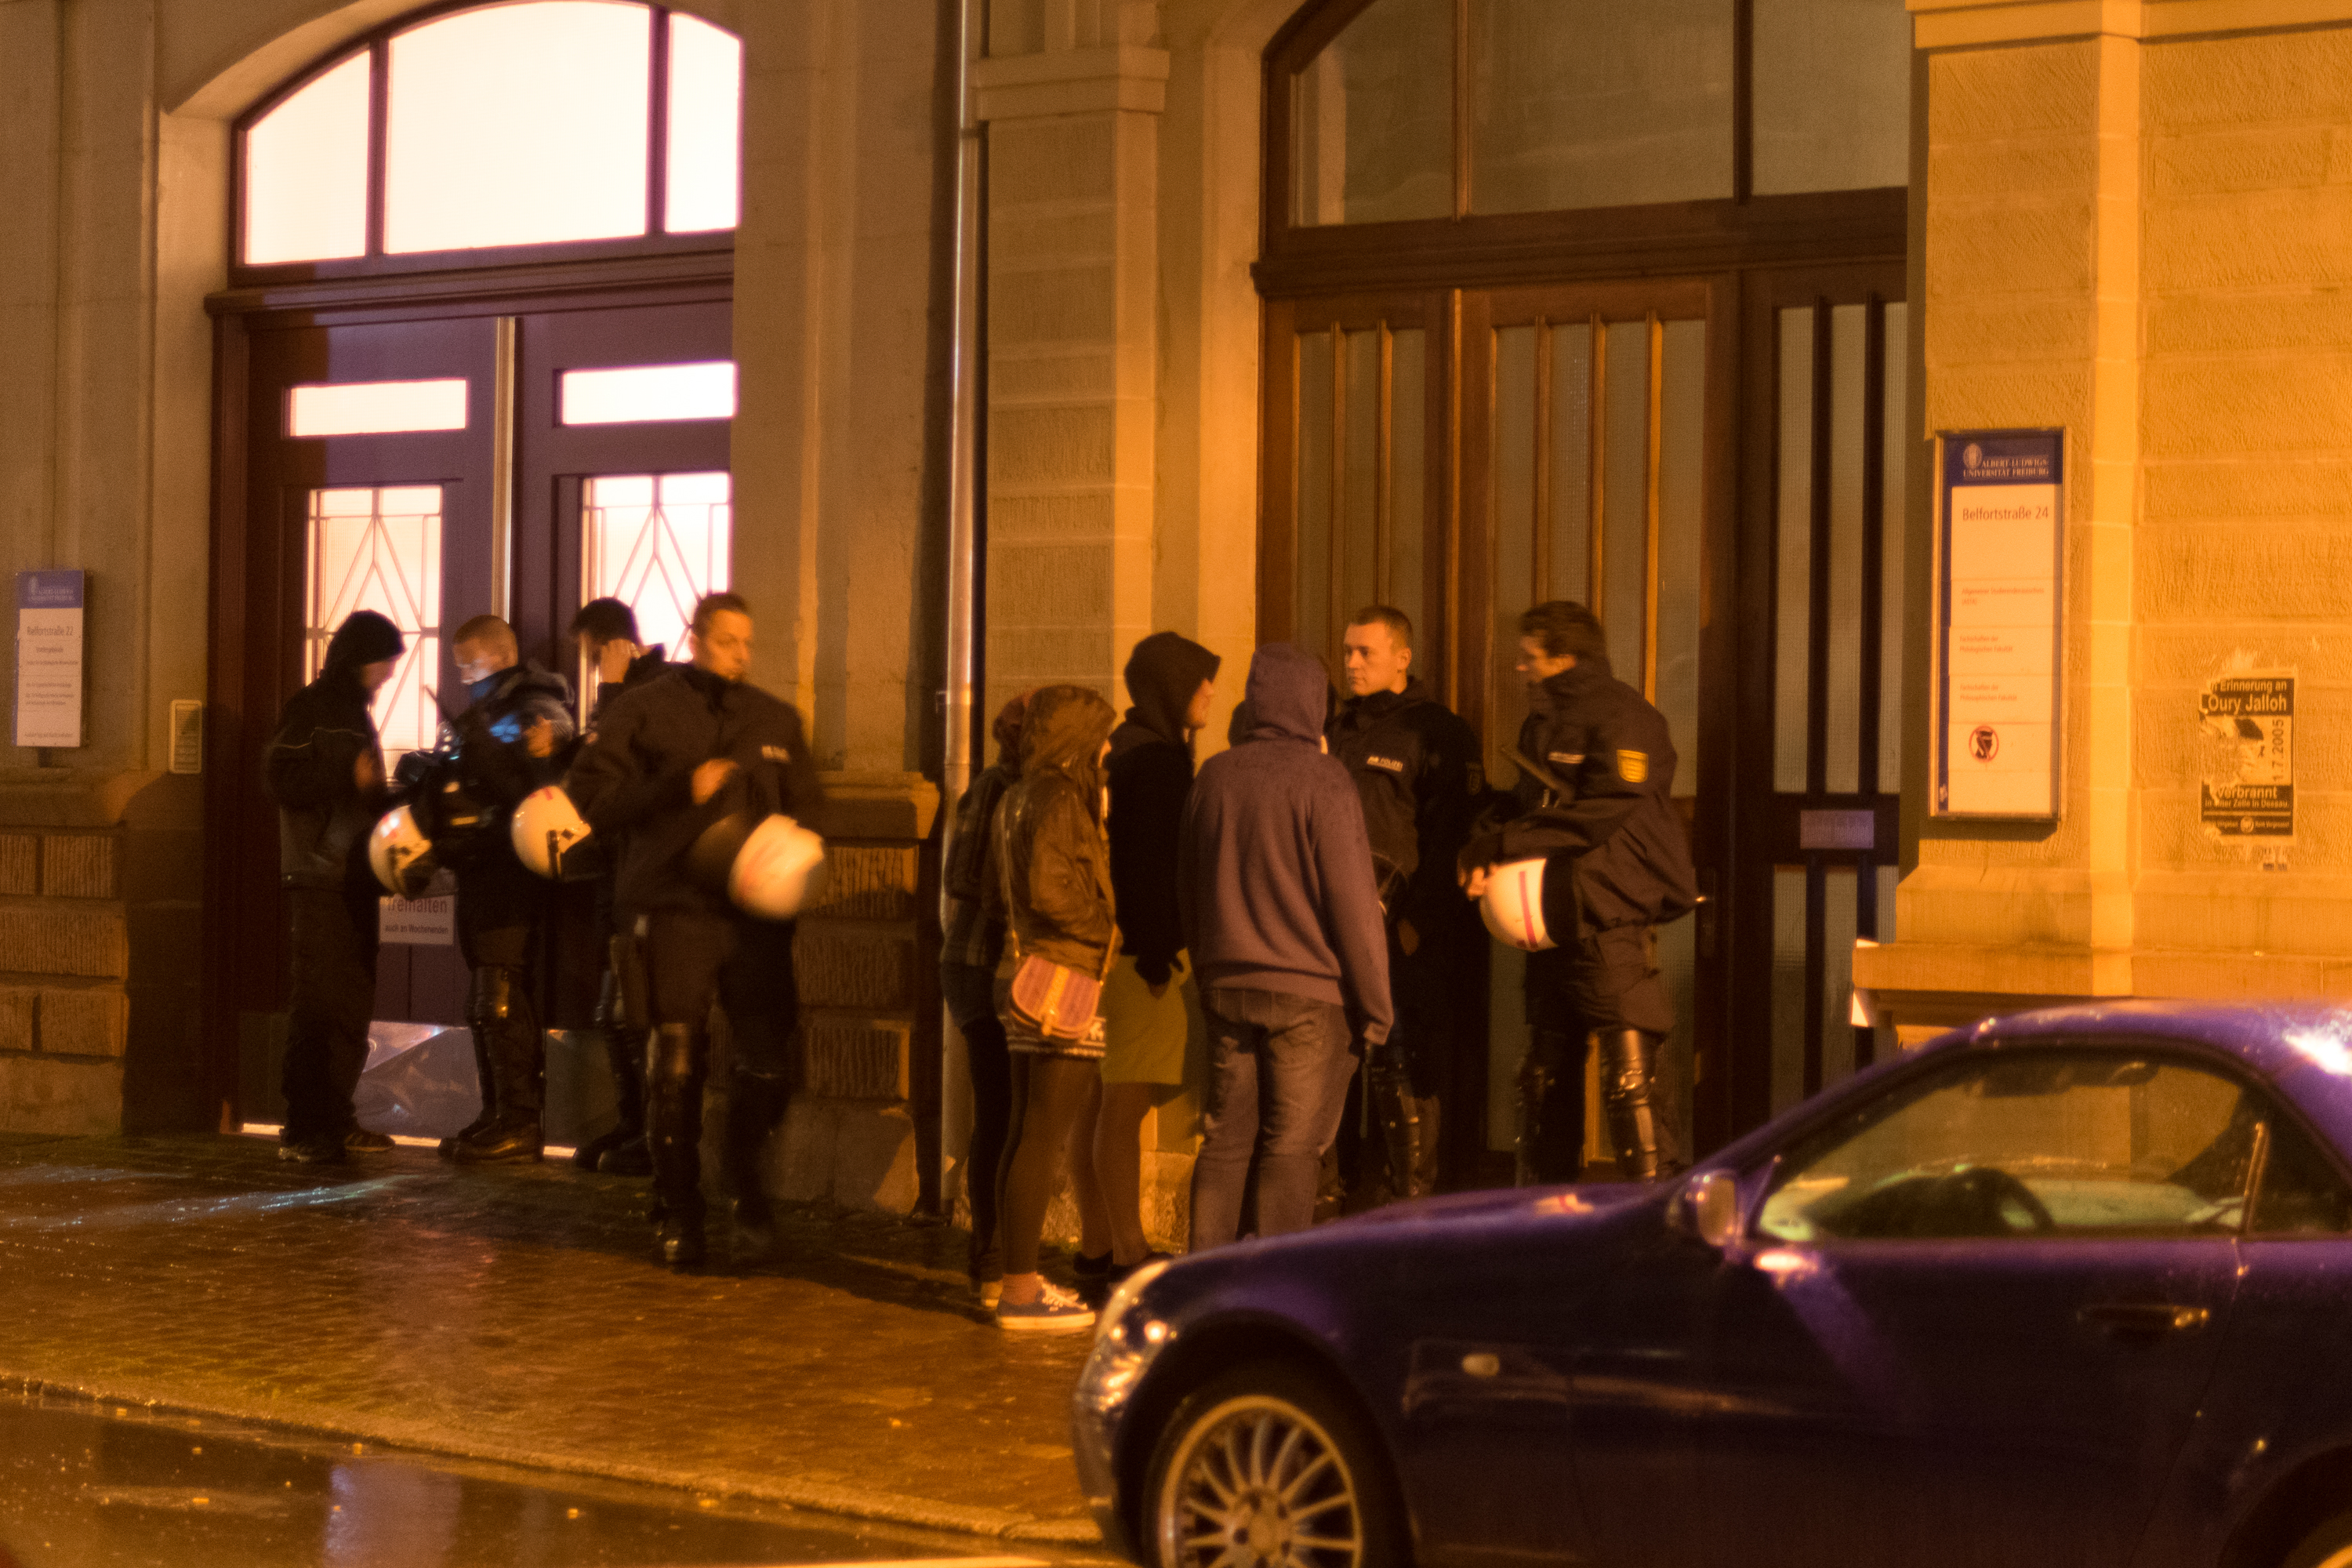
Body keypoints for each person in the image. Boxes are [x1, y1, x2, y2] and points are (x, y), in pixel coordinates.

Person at [566, 592, 822, 1268]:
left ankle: (746, 1183)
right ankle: (678, 1210)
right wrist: (680, 788)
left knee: (767, 1062)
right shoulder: (644, 708)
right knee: (675, 1063)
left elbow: (809, 808)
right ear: (697, 639)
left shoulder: (775, 718)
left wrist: (794, 853)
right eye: (728, 641)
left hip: (755, 917)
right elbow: (592, 799)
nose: (741, 654)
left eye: (748, 642)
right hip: (674, 907)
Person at [1457, 601, 1697, 1182]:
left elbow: (1607, 807)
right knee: (1542, 1078)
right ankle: (1545, 1214)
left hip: (1605, 914)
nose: (1520, 668)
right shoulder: (1542, 720)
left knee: (1631, 1081)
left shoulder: (1624, 717)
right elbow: (1531, 804)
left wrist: (1507, 841)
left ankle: (1654, 1212)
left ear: (1564, 657)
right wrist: (1486, 840)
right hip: (1548, 920)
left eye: (1529, 657)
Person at [1179, 644, 1392, 1247]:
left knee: (1224, 1142)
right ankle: (1274, 1285)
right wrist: (1376, 1009)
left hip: (1228, 984)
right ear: (1314, 705)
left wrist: (1208, 971)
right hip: (1309, 995)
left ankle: (1205, 1282)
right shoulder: (1325, 780)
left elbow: (1188, 887)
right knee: (1292, 1148)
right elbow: (1353, 904)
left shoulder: (1214, 776)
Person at [1326, 606, 1479, 1202]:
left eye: (1365, 651)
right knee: (1336, 1063)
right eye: (1347, 651)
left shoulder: (1434, 731)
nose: (1352, 662)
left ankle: (1409, 1210)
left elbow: (1450, 836)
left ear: (1402, 658)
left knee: (1400, 1063)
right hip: (1333, 926)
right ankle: (1333, 1202)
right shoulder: (1337, 728)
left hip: (1404, 931)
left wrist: (1419, 922)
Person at [412, 615, 575, 1165]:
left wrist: (481, 749)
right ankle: (498, 1112)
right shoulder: (487, 715)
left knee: (498, 995)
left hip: (510, 870)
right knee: (485, 998)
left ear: (498, 656)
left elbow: (532, 788)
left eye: (469, 665)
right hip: (478, 867)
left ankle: (519, 1120)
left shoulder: (533, 709)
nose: (463, 678)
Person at [983, 684, 1120, 1330]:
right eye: (1101, 736)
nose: (1107, 749)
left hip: (1023, 971)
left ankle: (1010, 1275)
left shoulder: (1016, 794)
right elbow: (1050, 888)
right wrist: (1105, 927)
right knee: (1043, 1134)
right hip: (1063, 973)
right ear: (1076, 738)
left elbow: (998, 893)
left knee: (1022, 1129)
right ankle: (1020, 1290)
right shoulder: (1060, 798)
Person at [1089, 632, 1219, 1297]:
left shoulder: (1127, 749)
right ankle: (1127, 1250)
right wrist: (1159, 952)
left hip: (1124, 951)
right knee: (1125, 1102)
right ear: (1173, 688)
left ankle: (1103, 1244)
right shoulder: (1159, 764)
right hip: (1145, 958)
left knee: (1107, 1101)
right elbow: (1148, 865)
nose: (1210, 692)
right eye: (1200, 681)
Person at [264, 610, 405, 1166]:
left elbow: (362, 795)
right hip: (319, 875)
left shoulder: (354, 714)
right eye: (384, 662)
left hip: (356, 876)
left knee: (351, 1004)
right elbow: (281, 779)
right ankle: (303, 1127)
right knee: (319, 1005)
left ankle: (336, 1117)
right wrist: (348, 778)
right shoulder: (312, 708)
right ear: (358, 659)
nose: (388, 674)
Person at [565, 597, 670, 1178]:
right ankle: (633, 1123)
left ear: (609, 646)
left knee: (636, 1009)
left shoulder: (649, 694)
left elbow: (617, 770)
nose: (589, 667)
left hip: (640, 874)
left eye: (590, 654)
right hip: (614, 871)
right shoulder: (627, 695)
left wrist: (610, 690)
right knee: (615, 1011)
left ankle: (653, 1132)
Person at [938, 691, 1029, 1305]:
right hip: (982, 964)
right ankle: (991, 1253)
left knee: (1010, 1110)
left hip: (1004, 969)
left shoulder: (1035, 789)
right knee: (999, 1109)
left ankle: (998, 1253)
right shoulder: (996, 788)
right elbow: (960, 877)